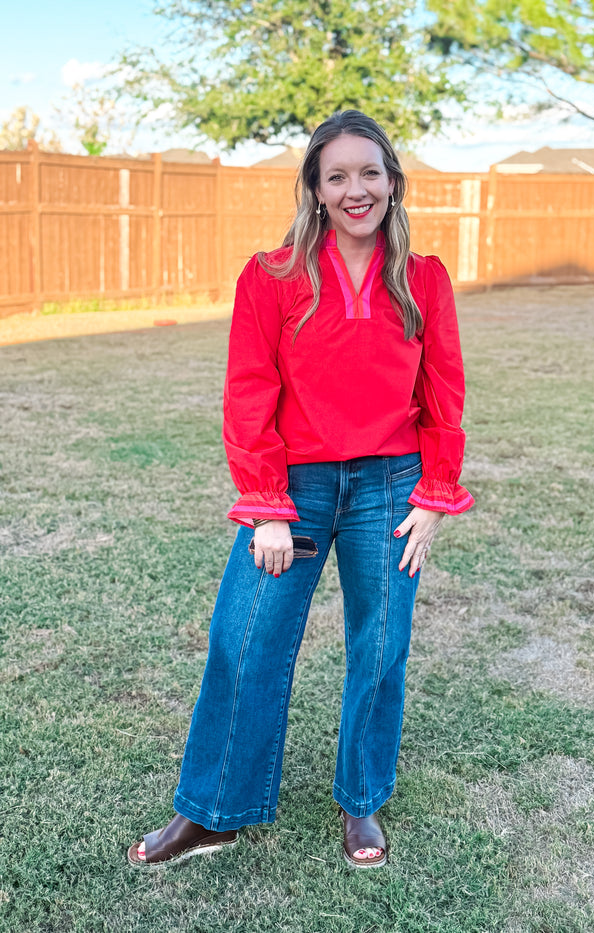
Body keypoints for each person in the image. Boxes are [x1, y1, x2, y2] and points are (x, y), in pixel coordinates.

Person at [127, 110, 474, 869]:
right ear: (315, 190)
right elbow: (250, 391)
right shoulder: (273, 275)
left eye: (370, 173)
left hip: (392, 486)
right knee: (243, 638)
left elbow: (444, 388)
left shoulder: (424, 279)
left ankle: (362, 802)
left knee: (380, 647)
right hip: (299, 487)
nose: (357, 190)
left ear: (393, 183)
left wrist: (432, 496)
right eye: (338, 176)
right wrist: (268, 506)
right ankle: (214, 811)